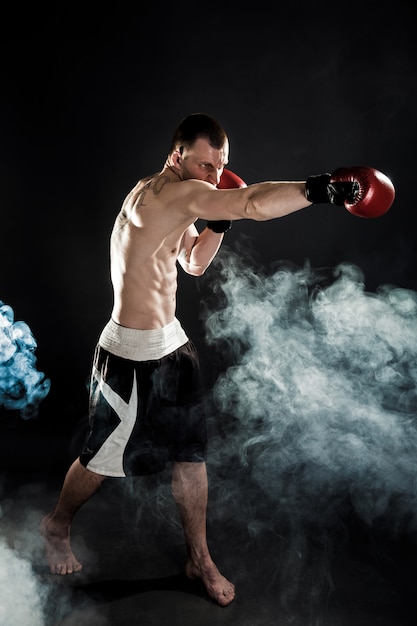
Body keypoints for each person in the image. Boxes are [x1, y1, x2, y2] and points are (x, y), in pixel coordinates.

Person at [41, 112, 393, 607]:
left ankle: (198, 560)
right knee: (100, 459)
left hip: (171, 345)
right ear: (176, 155)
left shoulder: (180, 194)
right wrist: (323, 190)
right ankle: (56, 524)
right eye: (205, 164)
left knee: (191, 455)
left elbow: (193, 263)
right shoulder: (167, 195)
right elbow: (250, 200)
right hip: (130, 356)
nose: (213, 176)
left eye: (220, 166)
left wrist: (218, 219)